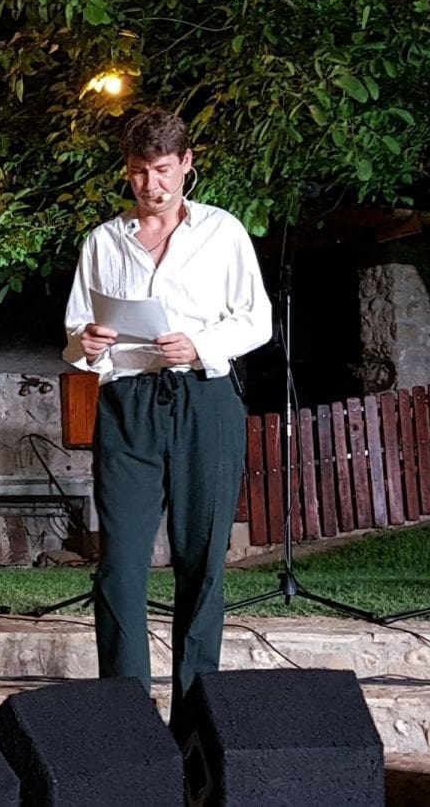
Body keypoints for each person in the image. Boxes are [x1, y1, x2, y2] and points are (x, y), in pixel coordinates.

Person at [62, 110, 272, 733]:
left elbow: (256, 318)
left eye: (161, 170)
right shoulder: (104, 242)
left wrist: (201, 344)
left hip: (203, 397)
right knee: (120, 562)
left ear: (186, 164)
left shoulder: (222, 231)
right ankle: (125, 721)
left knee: (201, 560)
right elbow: (75, 335)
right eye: (138, 172)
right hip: (128, 402)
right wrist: (86, 342)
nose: (150, 185)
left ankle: (194, 727)